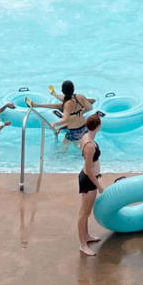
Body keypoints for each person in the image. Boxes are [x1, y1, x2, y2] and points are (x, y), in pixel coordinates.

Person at [31, 81, 95, 142]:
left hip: (74, 132)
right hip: (84, 127)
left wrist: (55, 124)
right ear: (73, 89)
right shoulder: (80, 96)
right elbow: (90, 107)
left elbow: (65, 120)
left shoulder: (67, 104)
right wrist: (81, 112)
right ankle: (53, 94)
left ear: (62, 91)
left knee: (64, 149)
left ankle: (35, 104)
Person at [77, 113, 105, 256]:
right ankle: (82, 244)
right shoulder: (90, 145)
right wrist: (99, 186)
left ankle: (86, 236)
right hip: (88, 180)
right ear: (98, 126)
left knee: (85, 212)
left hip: (89, 177)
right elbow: (88, 170)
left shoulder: (87, 137)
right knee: (84, 213)